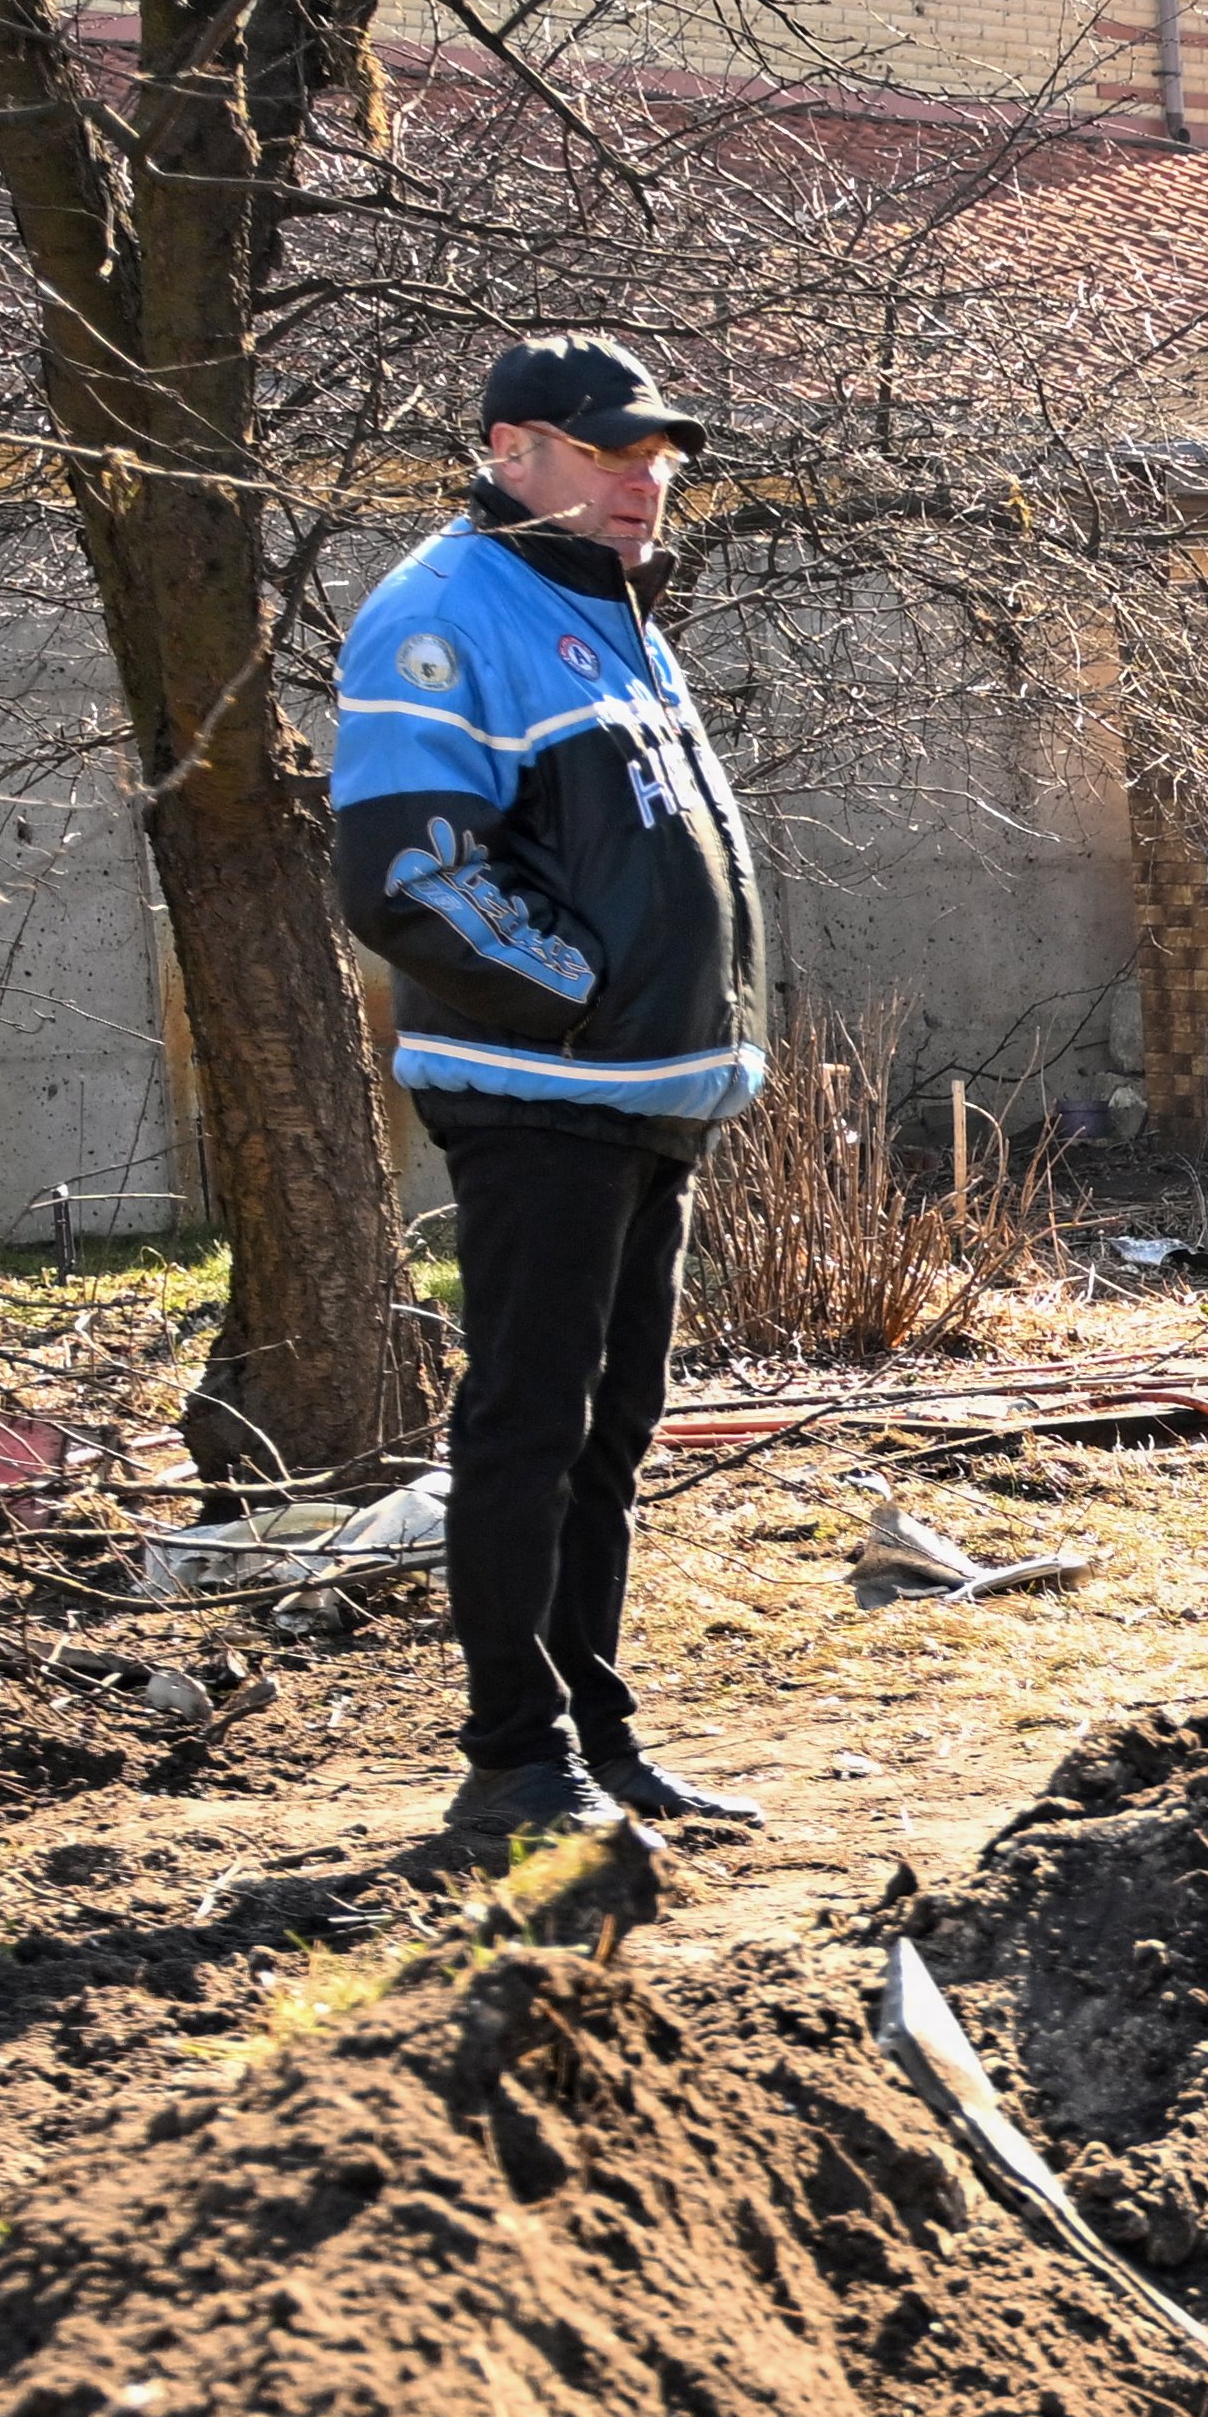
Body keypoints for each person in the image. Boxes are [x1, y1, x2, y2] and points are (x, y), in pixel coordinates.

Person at [328, 327, 780, 1865]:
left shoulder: (602, 608)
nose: (643, 482)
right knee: (528, 1422)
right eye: (607, 452)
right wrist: (584, 1002)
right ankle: (513, 1759)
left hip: (644, 1097)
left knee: (614, 1427)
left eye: (655, 457)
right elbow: (407, 876)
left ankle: (598, 1731)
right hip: (542, 1094)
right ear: (513, 450)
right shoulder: (444, 613)